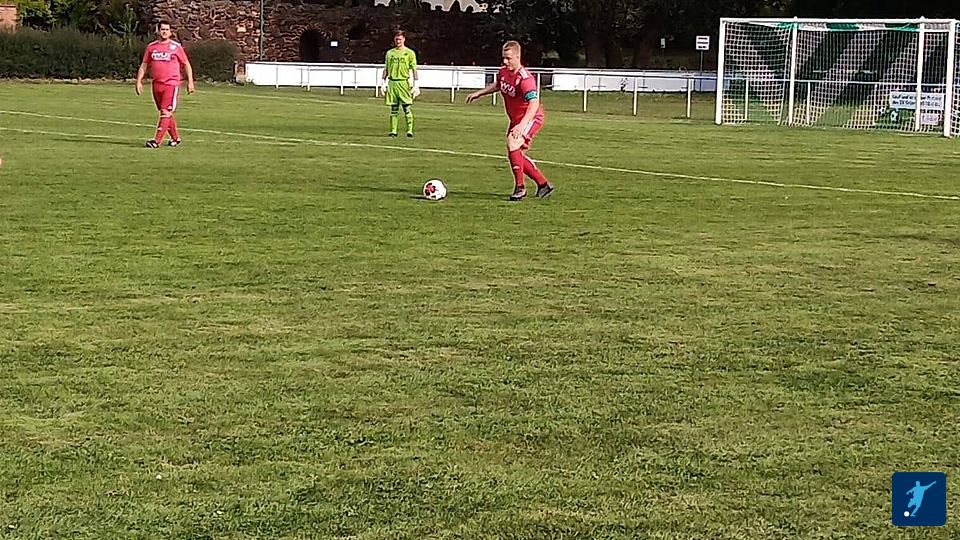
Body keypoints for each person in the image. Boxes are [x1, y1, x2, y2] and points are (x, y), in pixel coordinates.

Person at [466, 40, 554, 201]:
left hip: (531, 117)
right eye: (504, 58)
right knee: (515, 153)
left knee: (513, 143)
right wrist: (479, 93)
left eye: (508, 58)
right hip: (516, 119)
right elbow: (498, 85)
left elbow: (534, 103)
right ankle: (543, 184)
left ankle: (520, 188)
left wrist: (522, 125)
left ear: (518, 57)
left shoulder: (525, 79)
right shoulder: (503, 72)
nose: (505, 61)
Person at [135, 20, 195, 148]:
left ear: (170, 32)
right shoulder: (151, 47)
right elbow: (144, 64)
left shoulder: (176, 47)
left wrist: (190, 81)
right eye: (162, 29)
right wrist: (139, 81)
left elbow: (186, 64)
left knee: (165, 111)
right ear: (158, 31)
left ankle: (156, 141)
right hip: (157, 84)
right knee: (165, 112)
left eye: (167, 30)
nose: (165, 32)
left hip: (171, 84)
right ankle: (175, 138)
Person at [382, 30, 420, 138]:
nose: (398, 41)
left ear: (404, 39)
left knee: (406, 108)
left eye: (399, 39)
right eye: (396, 39)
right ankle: (393, 131)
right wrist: (382, 82)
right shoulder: (390, 53)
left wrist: (416, 84)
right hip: (392, 83)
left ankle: (409, 131)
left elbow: (414, 69)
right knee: (393, 109)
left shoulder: (409, 53)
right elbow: (386, 68)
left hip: (403, 82)